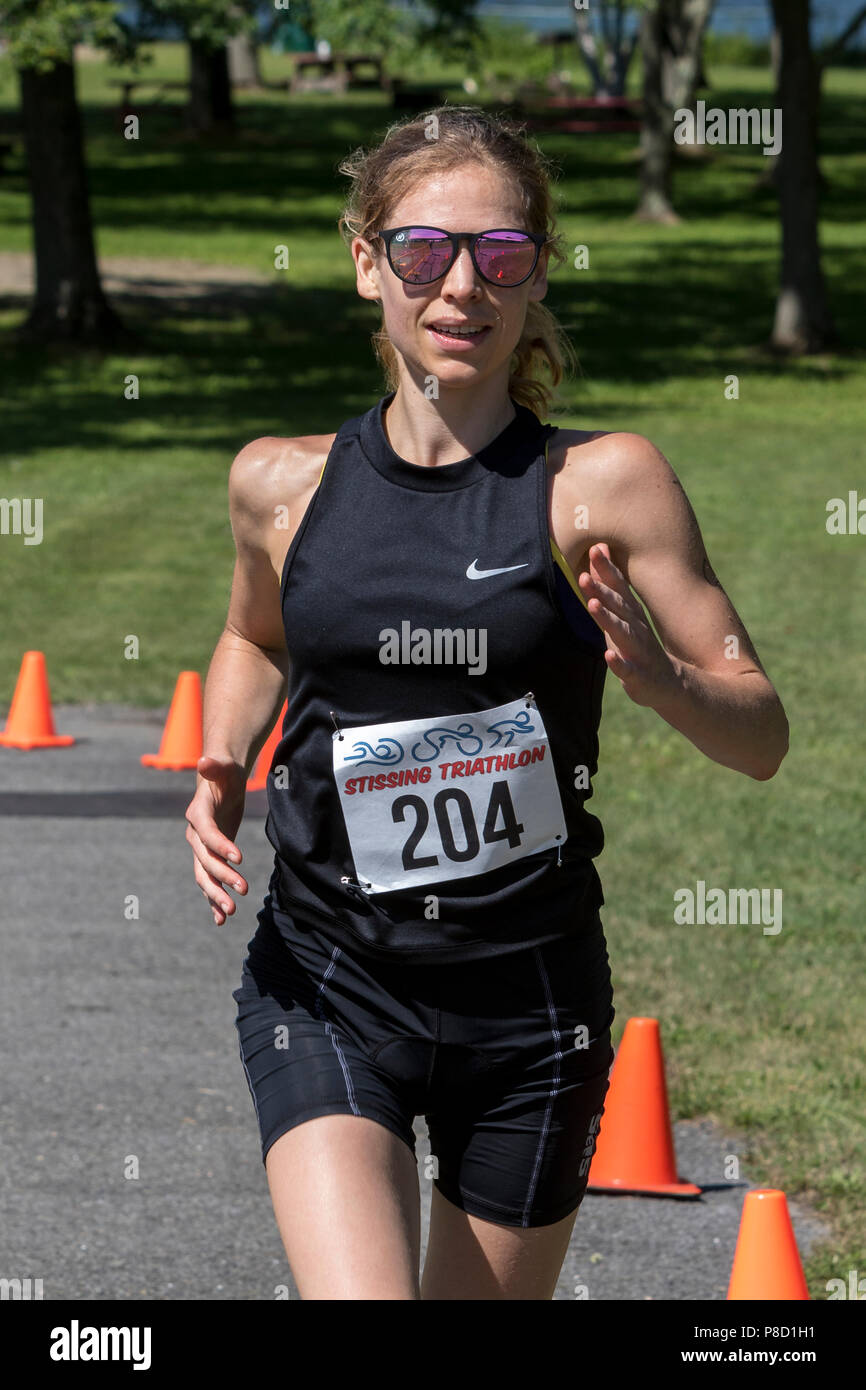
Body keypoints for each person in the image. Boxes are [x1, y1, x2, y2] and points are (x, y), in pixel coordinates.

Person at [184, 106, 788, 1301]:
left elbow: (759, 729)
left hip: (531, 1012)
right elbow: (254, 634)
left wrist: (662, 682)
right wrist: (218, 757)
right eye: (423, 251)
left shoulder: (600, 485)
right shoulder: (280, 483)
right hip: (328, 977)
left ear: (536, 271)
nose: (461, 286)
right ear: (367, 263)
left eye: (501, 255)